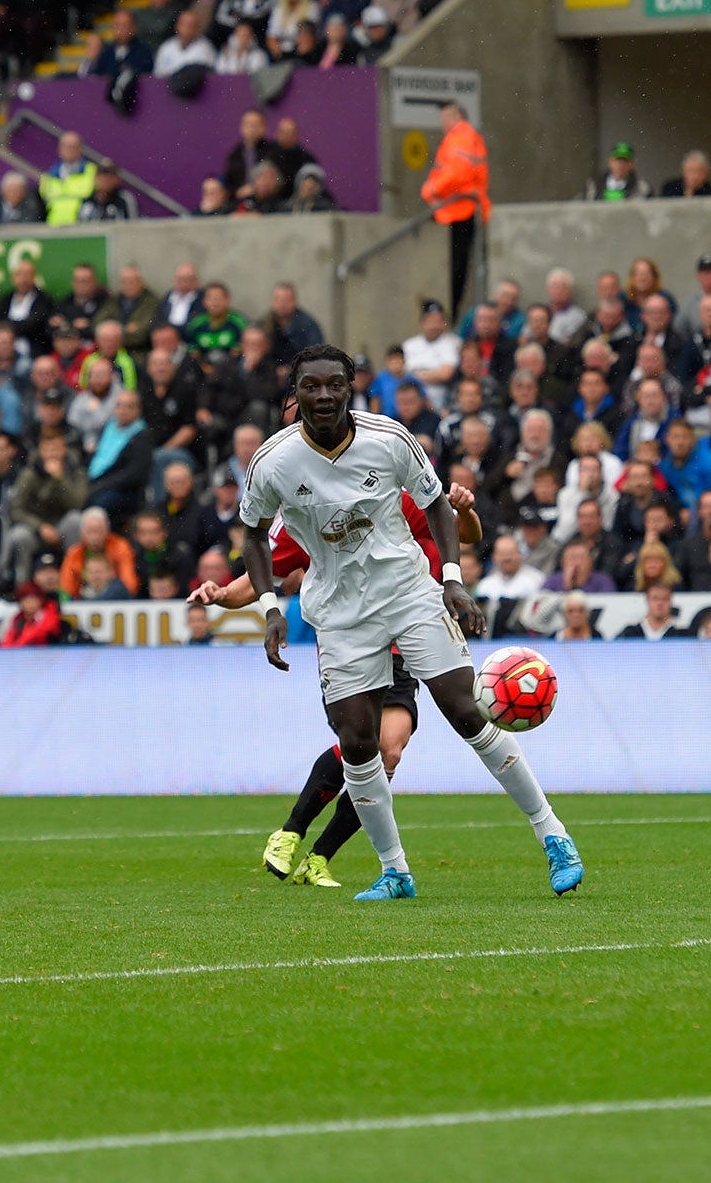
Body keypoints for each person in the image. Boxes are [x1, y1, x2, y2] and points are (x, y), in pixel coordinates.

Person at [239, 345, 583, 899]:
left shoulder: (390, 439)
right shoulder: (272, 462)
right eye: (311, 386)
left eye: (334, 385)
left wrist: (451, 579)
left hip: (407, 592)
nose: (323, 395)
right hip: (340, 614)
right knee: (357, 741)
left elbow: (438, 505)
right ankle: (394, 871)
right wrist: (271, 610)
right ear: (295, 392)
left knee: (465, 711)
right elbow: (253, 534)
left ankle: (554, 836)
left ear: (351, 387)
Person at [195, 482, 481, 887]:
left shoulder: (404, 501)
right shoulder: (322, 514)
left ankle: (318, 859)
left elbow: (464, 533)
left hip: (411, 639)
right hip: (351, 640)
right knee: (362, 744)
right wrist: (221, 593)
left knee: (388, 752)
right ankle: (291, 830)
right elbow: (265, 570)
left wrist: (465, 510)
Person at [421, 100, 489, 319]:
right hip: (458, 209)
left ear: (455, 115)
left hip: (459, 210)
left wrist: (431, 190)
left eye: (444, 118)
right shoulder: (466, 137)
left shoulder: (461, 137)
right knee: (456, 269)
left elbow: (457, 173)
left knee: (456, 270)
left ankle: (451, 314)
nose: (442, 123)